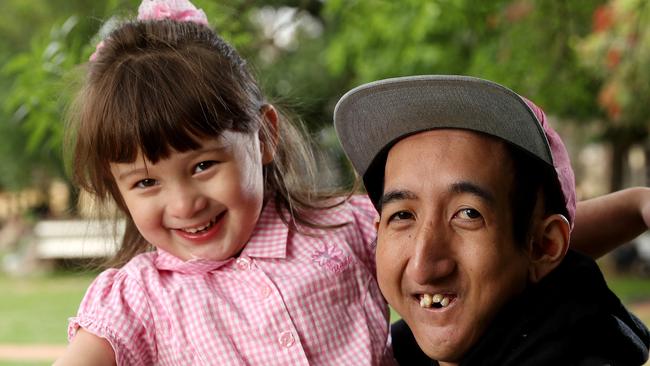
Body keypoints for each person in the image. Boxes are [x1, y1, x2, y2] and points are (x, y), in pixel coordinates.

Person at [54, 1, 393, 365]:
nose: (185, 204)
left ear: (263, 137)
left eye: (202, 165)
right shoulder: (138, 299)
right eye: (147, 182)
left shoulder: (351, 226)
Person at [334, 75, 650, 365]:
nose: (423, 265)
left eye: (468, 214)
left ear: (543, 246)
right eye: (402, 215)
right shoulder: (393, 353)